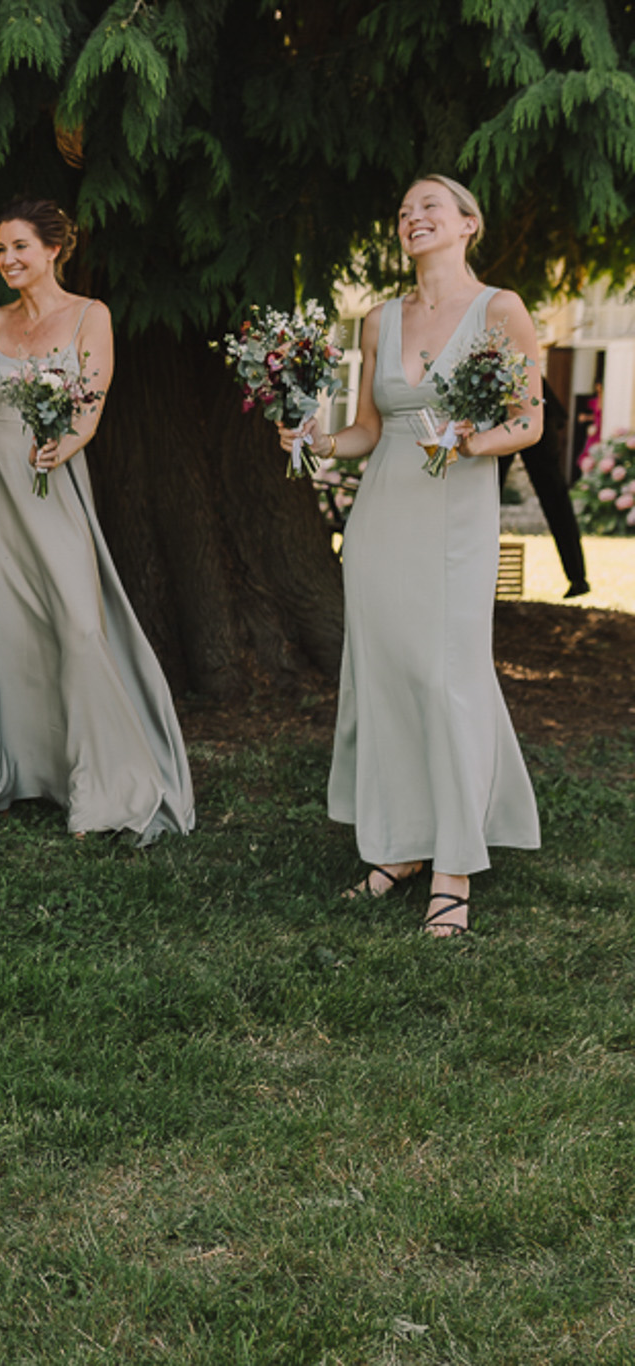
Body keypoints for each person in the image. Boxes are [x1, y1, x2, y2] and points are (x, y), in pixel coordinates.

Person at [280, 175, 541, 937]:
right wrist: (319, 441)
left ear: (468, 224)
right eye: (403, 211)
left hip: (457, 515)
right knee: (386, 676)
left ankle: (454, 864)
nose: (412, 217)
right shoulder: (379, 320)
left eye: (430, 206)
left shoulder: (502, 310)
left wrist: (471, 441)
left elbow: (527, 419)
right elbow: (368, 428)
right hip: (382, 516)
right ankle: (399, 845)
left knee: (447, 675)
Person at [0, 200, 194, 843]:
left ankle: (95, 785)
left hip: (50, 479)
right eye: (0, 250)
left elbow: (91, 403)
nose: (7, 261)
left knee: (80, 627)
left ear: (54, 249)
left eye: (20, 247)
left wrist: (70, 442)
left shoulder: (91, 315)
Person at [497, 387, 588, 597]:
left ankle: (577, 576)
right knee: (488, 495)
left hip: (536, 414)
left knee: (555, 496)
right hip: (498, 418)